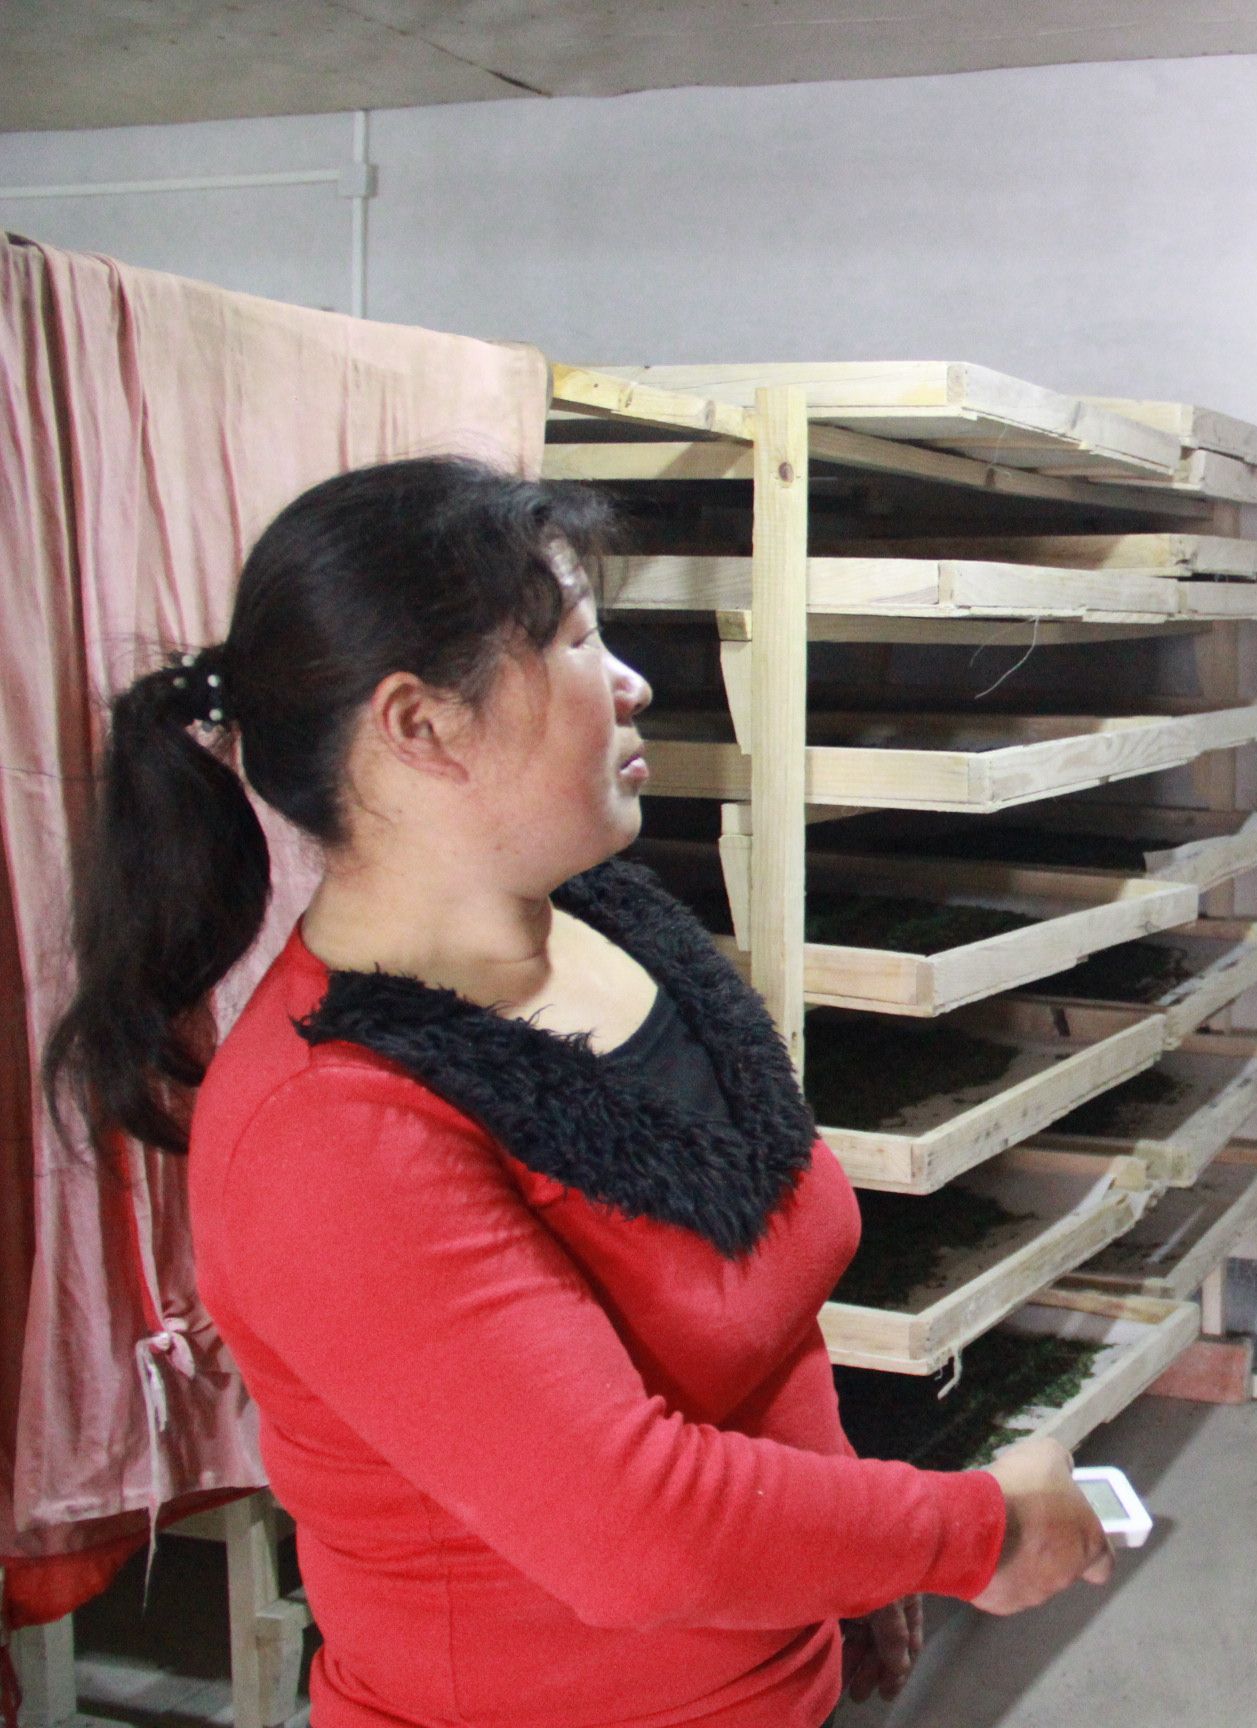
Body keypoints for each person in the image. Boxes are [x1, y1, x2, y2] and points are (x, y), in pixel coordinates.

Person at [42, 457, 1111, 1727]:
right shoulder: (330, 1131)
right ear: (419, 727)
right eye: (577, 641)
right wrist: (974, 1532)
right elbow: (632, 1527)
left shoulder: (605, 925)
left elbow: (760, 1324)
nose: (631, 682)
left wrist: (854, 1565)